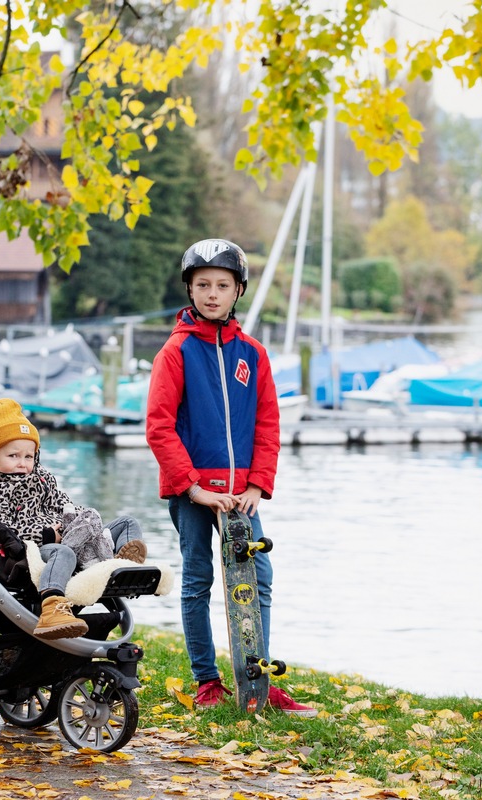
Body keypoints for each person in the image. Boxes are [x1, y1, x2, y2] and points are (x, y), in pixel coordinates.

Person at [145, 238, 315, 717]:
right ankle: (207, 682)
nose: (212, 294)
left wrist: (258, 484)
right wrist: (191, 486)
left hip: (242, 495)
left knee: (258, 576)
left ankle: (256, 678)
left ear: (238, 289)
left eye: (222, 285)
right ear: (190, 289)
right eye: (203, 285)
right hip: (193, 490)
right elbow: (158, 426)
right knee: (198, 579)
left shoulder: (254, 355)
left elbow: (268, 424)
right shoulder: (175, 353)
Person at [0, 398, 147, 640]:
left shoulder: (41, 478)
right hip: (35, 548)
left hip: (68, 534)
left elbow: (63, 503)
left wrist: (82, 520)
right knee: (65, 554)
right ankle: (52, 606)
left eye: (28, 456)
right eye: (13, 456)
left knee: (127, 522)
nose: (22, 463)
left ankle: (124, 564)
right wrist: (45, 535)